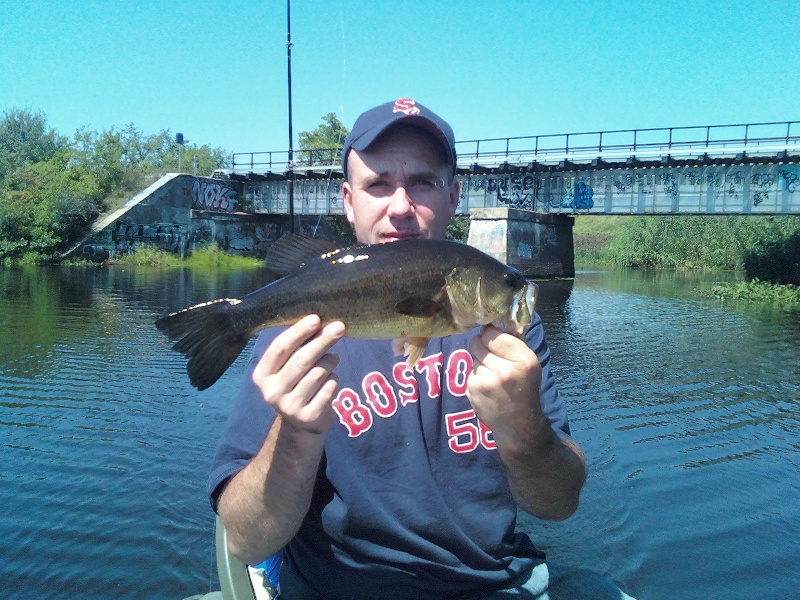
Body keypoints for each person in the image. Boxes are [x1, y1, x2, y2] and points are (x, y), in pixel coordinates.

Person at [209, 98, 634, 600]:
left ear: (453, 196)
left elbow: (559, 504)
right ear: (348, 201)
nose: (400, 208)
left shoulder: (511, 331)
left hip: (493, 586)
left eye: (423, 183)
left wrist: (525, 428)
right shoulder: (294, 337)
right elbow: (244, 538)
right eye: (378, 184)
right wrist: (296, 431)